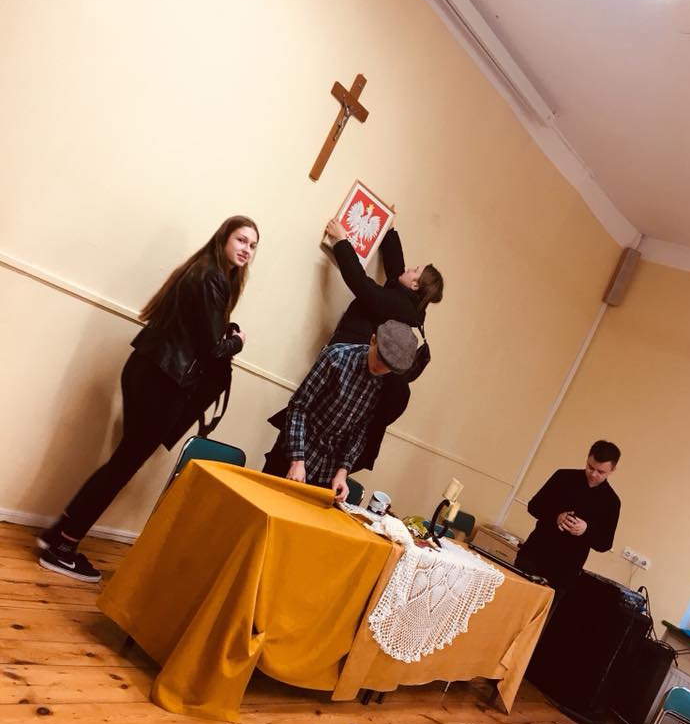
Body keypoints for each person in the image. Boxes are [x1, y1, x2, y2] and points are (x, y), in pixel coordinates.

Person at [37, 215, 260, 582]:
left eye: (252, 245)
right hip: (164, 381)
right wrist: (237, 341)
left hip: (148, 370)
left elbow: (196, 335)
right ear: (223, 238)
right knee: (122, 466)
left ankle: (58, 534)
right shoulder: (212, 278)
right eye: (241, 240)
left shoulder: (202, 271)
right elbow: (211, 351)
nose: (246, 249)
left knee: (120, 462)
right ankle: (63, 546)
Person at [324, 217, 444, 469]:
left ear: (415, 285)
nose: (408, 268)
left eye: (414, 270)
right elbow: (396, 270)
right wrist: (389, 229)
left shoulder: (398, 306)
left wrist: (341, 240)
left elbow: (360, 283)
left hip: (346, 375)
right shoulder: (410, 305)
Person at [263, 320, 417, 502]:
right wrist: (297, 461)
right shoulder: (336, 357)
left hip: (327, 471)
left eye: (388, 367)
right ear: (373, 340)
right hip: (295, 453)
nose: (381, 367)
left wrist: (343, 472)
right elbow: (299, 406)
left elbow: (360, 431)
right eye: (379, 358)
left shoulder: (387, 386)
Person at [515, 440, 622, 599]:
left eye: (601, 472)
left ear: (612, 470)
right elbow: (534, 506)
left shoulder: (611, 502)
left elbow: (605, 543)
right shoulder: (563, 477)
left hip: (564, 571)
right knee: (511, 602)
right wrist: (556, 516)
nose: (593, 474)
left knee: (541, 612)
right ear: (587, 459)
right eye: (590, 467)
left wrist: (586, 530)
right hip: (534, 554)